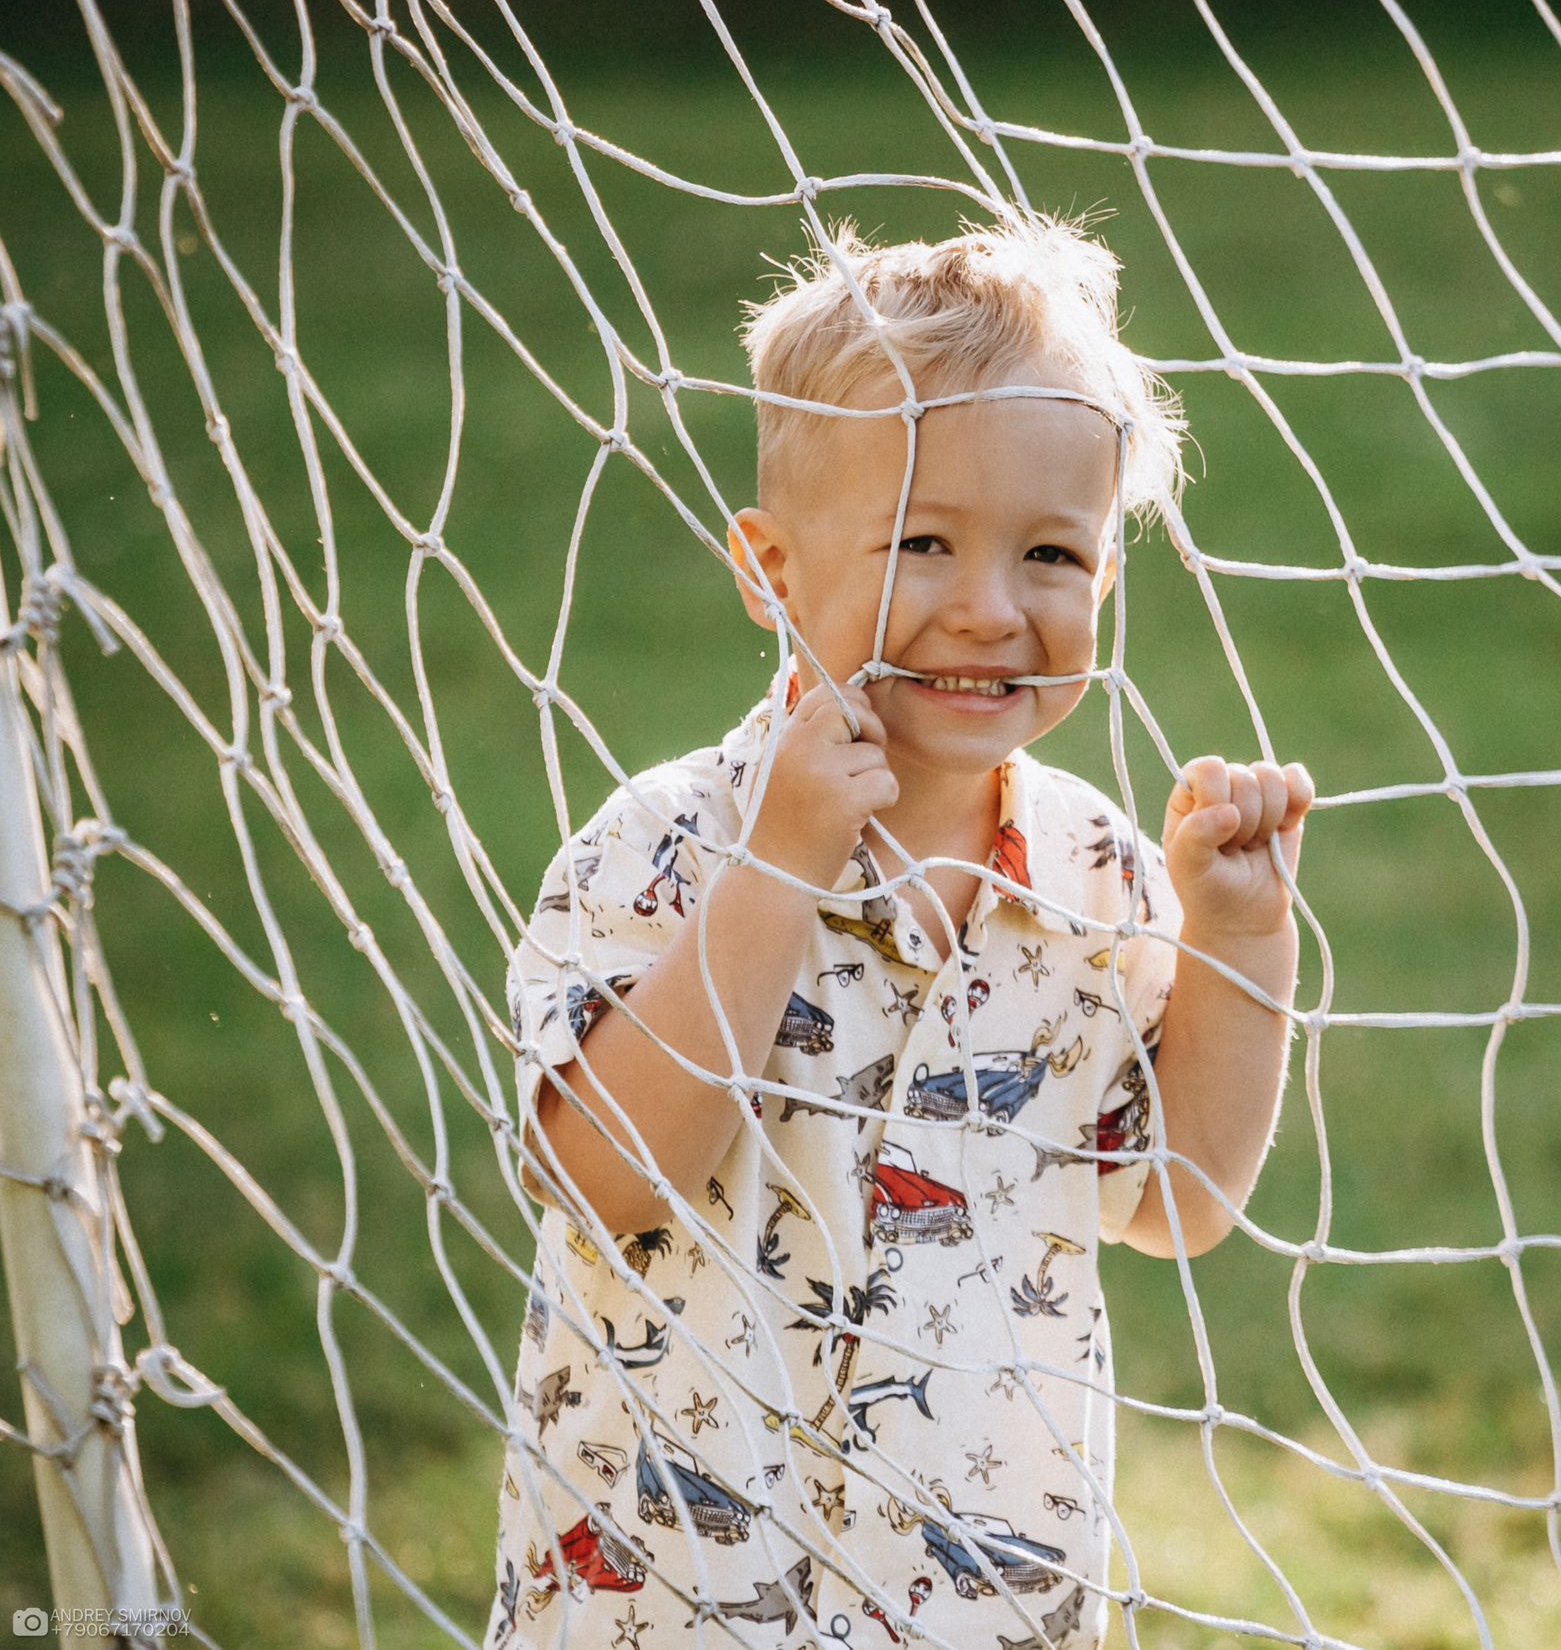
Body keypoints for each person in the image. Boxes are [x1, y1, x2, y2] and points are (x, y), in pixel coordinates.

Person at [485, 213, 1313, 1650]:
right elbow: (606, 1181)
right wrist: (783, 862)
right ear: (771, 570)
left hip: (981, 1594)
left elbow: (1180, 1202)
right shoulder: (665, 841)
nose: (991, 611)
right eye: (925, 540)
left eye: (1051, 554)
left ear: (1106, 577)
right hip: (674, 1593)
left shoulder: (1096, 869)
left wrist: (1238, 944)